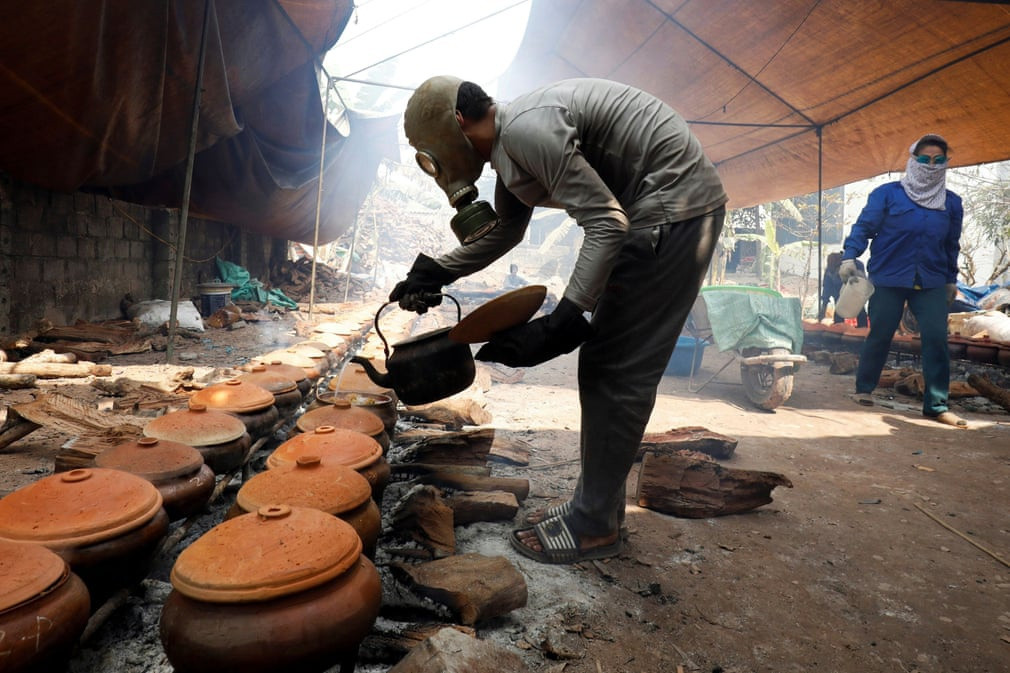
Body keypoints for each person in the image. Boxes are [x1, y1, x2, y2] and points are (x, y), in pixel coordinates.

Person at [390, 76, 727, 563]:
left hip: (674, 209)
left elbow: (608, 222)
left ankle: (593, 526)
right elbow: (505, 230)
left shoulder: (525, 131)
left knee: (617, 370)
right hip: (661, 208)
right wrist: (436, 270)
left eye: (429, 159)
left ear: (455, 125)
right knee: (605, 366)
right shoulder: (510, 143)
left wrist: (564, 319)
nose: (435, 171)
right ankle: (599, 513)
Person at [840, 133, 965, 427]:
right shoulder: (887, 194)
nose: (931, 165)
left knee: (936, 338)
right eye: (924, 159)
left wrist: (951, 279)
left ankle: (936, 405)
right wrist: (850, 255)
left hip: (932, 280)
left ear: (946, 163)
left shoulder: (952, 203)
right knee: (881, 333)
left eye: (938, 160)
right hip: (889, 276)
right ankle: (864, 389)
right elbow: (864, 227)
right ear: (913, 160)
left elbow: (951, 244)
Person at [819, 251, 868, 327]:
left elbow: (862, 283)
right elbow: (827, 287)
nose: (834, 270)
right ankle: (838, 331)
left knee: (860, 312)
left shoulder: (856, 265)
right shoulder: (829, 270)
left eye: (836, 268)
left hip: (855, 293)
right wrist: (824, 305)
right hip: (838, 294)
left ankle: (862, 330)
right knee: (838, 316)